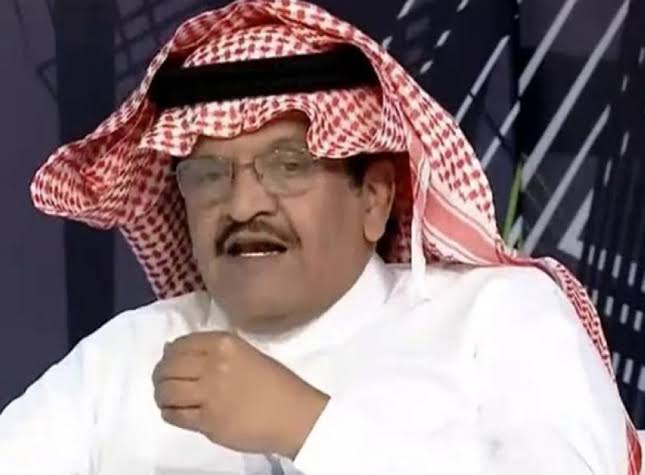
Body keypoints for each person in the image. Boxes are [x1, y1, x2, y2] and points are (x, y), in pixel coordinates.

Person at [0, 0, 641, 474]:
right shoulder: (126, 357)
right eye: (210, 174)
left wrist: (306, 425)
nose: (243, 204)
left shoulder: (500, 317)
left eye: (289, 165)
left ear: (375, 197)